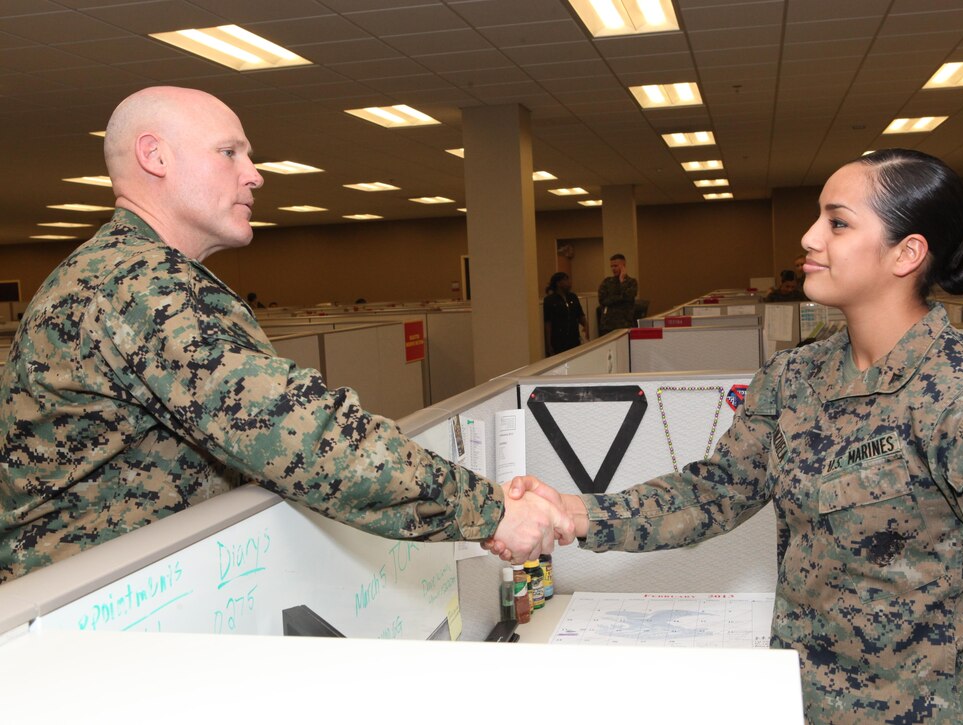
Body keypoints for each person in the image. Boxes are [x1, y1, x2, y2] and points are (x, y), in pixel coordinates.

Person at [492, 149, 963, 722]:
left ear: (906, 253)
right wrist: (578, 512)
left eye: (837, 223)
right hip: (799, 699)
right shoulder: (794, 377)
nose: (809, 237)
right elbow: (716, 492)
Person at [0, 86, 571, 584]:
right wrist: (492, 512)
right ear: (155, 156)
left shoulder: (127, 272)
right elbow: (307, 437)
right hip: (83, 620)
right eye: (229, 152)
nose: (255, 173)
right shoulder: (136, 285)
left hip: (117, 597)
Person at [543, 272, 587, 356]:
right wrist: (548, 345)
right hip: (559, 340)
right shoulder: (550, 300)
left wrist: (585, 325)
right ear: (558, 283)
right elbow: (548, 323)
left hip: (574, 337)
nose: (569, 282)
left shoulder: (573, 297)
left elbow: (580, 314)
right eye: (566, 280)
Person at [598, 253, 638, 335]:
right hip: (608, 326)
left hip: (625, 325)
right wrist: (620, 298)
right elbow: (603, 300)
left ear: (623, 266)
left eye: (615, 266)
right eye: (611, 266)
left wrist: (622, 281)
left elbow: (628, 297)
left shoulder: (631, 282)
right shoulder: (607, 282)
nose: (613, 269)